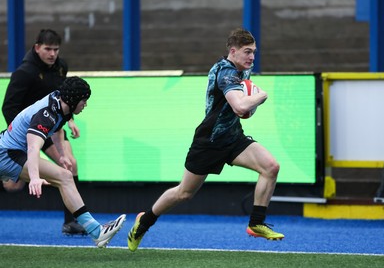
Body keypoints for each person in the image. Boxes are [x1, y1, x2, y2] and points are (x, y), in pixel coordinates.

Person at [127, 28, 284, 252]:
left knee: (271, 167)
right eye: (247, 52)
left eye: (254, 52)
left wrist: (250, 103)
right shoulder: (225, 72)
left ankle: (256, 223)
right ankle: (144, 222)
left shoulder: (243, 71)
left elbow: (239, 111)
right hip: (209, 141)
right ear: (233, 51)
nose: (252, 57)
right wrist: (261, 96)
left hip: (232, 137)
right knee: (184, 193)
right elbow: (240, 107)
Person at [0, 76, 126, 247]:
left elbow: (58, 129)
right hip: (7, 154)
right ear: (73, 100)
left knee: (64, 176)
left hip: (10, 150)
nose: (85, 105)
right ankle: (97, 232)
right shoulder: (47, 114)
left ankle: (96, 231)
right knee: (65, 177)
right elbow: (33, 147)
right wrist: (34, 177)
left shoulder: (62, 103)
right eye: (84, 101)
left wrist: (61, 156)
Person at [1, 29, 86, 235]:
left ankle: (72, 222)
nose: (52, 54)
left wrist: (71, 120)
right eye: (48, 49)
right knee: (13, 186)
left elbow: (67, 97)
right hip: (31, 131)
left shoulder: (61, 67)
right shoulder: (24, 72)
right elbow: (8, 107)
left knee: (70, 165)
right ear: (37, 48)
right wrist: (28, 139)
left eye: (56, 49)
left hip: (53, 128)